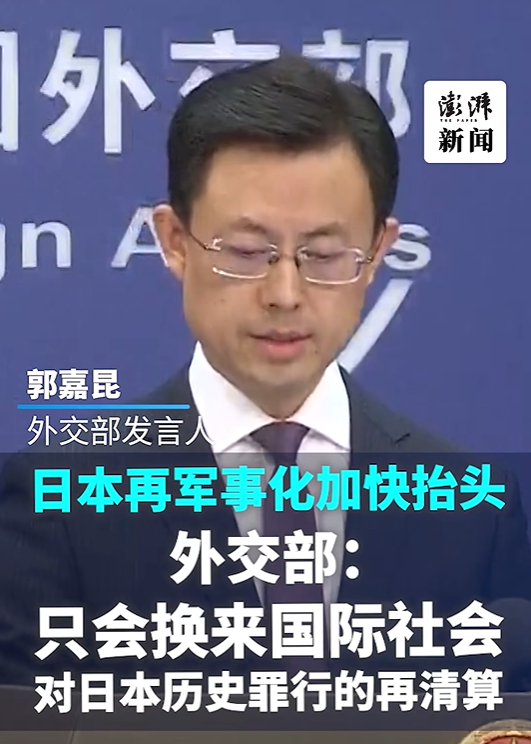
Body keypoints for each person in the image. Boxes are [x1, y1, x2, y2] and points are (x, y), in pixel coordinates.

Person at [0, 55, 530, 689]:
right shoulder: (59, 502)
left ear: (377, 253)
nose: (284, 294)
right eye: (247, 252)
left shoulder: (470, 509)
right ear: (173, 241)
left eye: (324, 255)